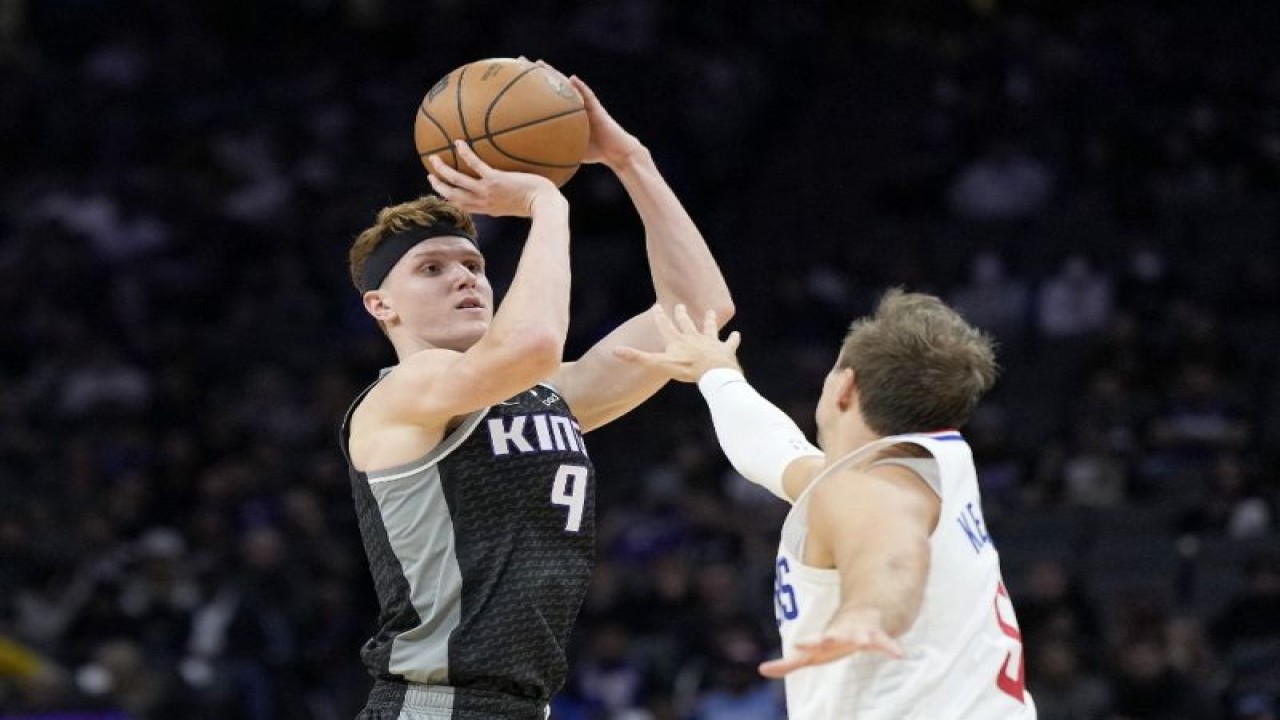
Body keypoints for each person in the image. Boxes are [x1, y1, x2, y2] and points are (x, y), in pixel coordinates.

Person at [338, 68, 733, 720]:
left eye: (472, 265)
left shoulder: (550, 394)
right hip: (435, 703)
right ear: (381, 305)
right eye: (431, 269)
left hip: (521, 706)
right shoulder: (402, 397)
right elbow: (532, 345)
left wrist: (631, 162)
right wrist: (549, 203)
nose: (463, 279)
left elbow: (699, 311)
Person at [616, 292, 1037, 718]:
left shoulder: (871, 489)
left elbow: (890, 552)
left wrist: (867, 610)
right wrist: (715, 373)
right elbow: (774, 450)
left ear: (844, 384)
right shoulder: (926, 463)